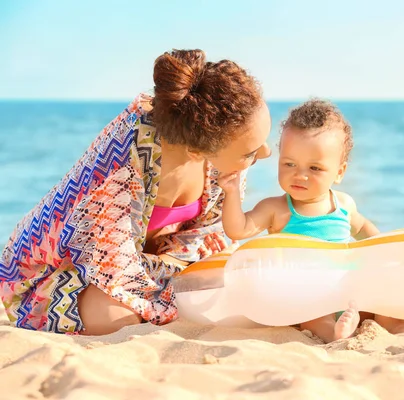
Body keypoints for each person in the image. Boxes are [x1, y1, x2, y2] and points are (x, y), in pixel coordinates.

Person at [0, 49, 272, 335]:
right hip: (65, 272)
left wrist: (177, 272)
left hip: (156, 265)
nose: (265, 153)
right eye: (251, 152)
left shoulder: (219, 155)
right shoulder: (121, 167)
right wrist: (170, 296)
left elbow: (210, 236)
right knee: (116, 319)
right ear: (196, 151)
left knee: (237, 287)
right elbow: (109, 266)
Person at [218, 99, 404, 343]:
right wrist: (232, 193)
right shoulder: (276, 209)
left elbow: (365, 232)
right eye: (289, 164)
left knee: (383, 297)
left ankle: (397, 328)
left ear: (339, 172)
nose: (299, 174)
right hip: (308, 293)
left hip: (348, 287)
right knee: (313, 316)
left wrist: (386, 257)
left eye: (315, 168)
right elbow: (238, 229)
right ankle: (334, 334)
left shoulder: (344, 205)